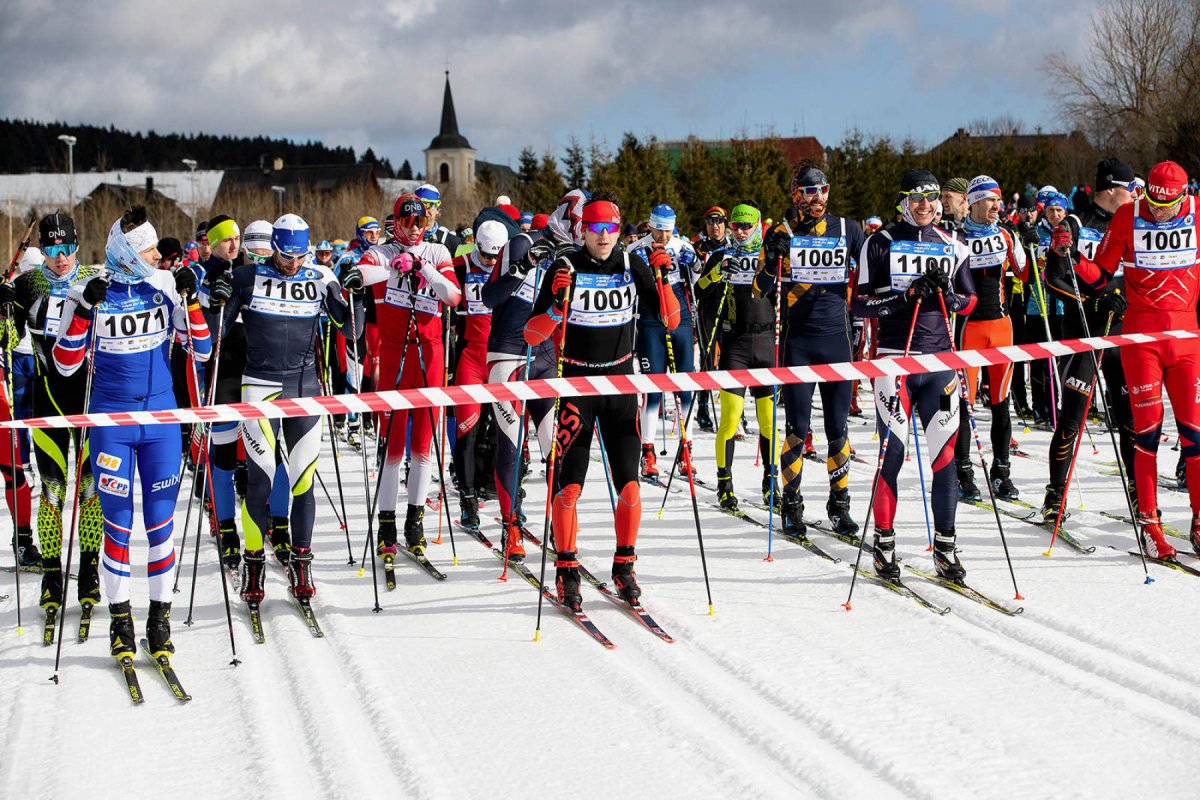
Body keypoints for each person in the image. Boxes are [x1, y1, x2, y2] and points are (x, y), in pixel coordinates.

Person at [53, 205, 211, 659]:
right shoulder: (88, 291)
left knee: (161, 527)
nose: (155, 254)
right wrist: (83, 310)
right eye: (147, 248)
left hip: (160, 423)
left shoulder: (163, 285)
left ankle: (159, 620)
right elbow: (65, 365)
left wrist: (192, 300)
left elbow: (200, 351)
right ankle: (120, 621)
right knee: (117, 527)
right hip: (111, 426)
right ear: (124, 251)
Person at [524, 192, 680, 610]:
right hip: (576, 386)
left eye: (611, 228)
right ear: (582, 231)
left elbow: (671, 320)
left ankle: (625, 565)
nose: (604, 236)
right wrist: (556, 309)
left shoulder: (633, 264)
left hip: (620, 387)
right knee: (570, 485)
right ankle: (566, 569)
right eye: (596, 229)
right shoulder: (566, 265)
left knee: (629, 484)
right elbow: (532, 336)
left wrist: (664, 281)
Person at [207, 214, 362, 601]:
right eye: (284, 256)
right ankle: (254, 561)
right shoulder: (248, 277)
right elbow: (214, 336)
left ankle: (302, 558)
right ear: (272, 248)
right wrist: (215, 300)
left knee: (302, 479)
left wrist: (356, 296)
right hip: (258, 387)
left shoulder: (320, 277)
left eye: (299, 257)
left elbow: (351, 330)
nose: (292, 265)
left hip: (305, 387)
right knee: (259, 481)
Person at [1065, 160, 1199, 559]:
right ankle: (1150, 523)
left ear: (1182, 196)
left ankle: (1198, 519)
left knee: (1194, 434)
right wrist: (1071, 256)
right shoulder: (1127, 215)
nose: (1158, 213)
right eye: (1153, 204)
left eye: (1167, 206)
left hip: (1186, 338)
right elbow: (1101, 275)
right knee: (1147, 432)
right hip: (1141, 337)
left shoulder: (1197, 214)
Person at [852, 169, 977, 581]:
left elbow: (970, 299)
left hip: (939, 365)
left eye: (930, 197)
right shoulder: (881, 242)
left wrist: (948, 295)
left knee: (945, 459)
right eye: (916, 198)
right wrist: (904, 296)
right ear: (903, 201)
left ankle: (945, 548)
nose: (924, 205)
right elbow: (862, 305)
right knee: (893, 456)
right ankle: (884, 544)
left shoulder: (952, 245)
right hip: (894, 362)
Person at [759, 165, 866, 538]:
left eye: (823, 189)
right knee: (797, 428)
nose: (817, 196)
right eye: (809, 190)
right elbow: (760, 288)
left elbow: (871, 270)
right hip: (799, 341)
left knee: (838, 428)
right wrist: (773, 258)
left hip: (837, 339)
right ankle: (792, 503)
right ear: (795, 195)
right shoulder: (782, 231)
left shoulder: (848, 229)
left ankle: (840, 505)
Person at [8, 212, 105, 611]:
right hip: (47, 404)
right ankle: (51, 575)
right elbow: (9, 339)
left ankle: (89, 571)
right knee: (52, 492)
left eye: (67, 248)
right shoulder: (26, 285)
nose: (60, 257)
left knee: (90, 492)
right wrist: (1, 312)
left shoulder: (96, 279)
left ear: (77, 246)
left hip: (90, 401)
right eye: (51, 249)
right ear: (42, 250)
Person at [357, 195, 461, 559]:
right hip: (394, 351)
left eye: (420, 222)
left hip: (429, 352)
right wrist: (395, 268)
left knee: (423, 443)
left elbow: (453, 296)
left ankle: (414, 521)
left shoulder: (437, 252)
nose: (415, 228)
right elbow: (358, 276)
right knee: (393, 443)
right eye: (408, 221)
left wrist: (423, 269)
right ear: (396, 221)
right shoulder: (381, 253)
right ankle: (386, 521)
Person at [482, 189, 584, 561]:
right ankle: (510, 526)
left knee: (556, 447)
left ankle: (561, 527)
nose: (584, 234)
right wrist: (522, 268)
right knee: (511, 444)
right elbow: (490, 296)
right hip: (507, 355)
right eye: (580, 225)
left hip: (544, 357)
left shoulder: (573, 258)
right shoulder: (522, 241)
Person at [1040, 159, 1136, 524]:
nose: (1134, 196)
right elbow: (1054, 278)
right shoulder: (1075, 225)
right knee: (1072, 419)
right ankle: (1055, 496)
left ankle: (1137, 492)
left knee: (1128, 417)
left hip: (1121, 333)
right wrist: (1095, 300)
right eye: (1130, 189)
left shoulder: (1132, 225)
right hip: (1083, 332)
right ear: (1112, 188)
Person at [696, 202, 779, 510]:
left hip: (766, 343)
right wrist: (717, 273)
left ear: (757, 226)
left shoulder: (769, 256)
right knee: (730, 419)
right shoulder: (721, 255)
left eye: (746, 226)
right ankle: (724, 483)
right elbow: (700, 289)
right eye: (735, 226)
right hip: (735, 345)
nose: (740, 232)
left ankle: (771, 483)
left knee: (769, 421)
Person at [954, 176, 1028, 501]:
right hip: (968, 330)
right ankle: (964, 473)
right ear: (973, 202)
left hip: (1001, 328)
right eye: (990, 201)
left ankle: (1001, 473)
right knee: (965, 406)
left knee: (1001, 403)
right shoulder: (956, 237)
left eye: (999, 200)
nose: (997, 206)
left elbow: (1026, 273)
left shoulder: (1006, 234)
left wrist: (1034, 245)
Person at [626, 204, 698, 479]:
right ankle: (648, 452)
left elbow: (699, 275)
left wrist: (694, 261)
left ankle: (686, 449)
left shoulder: (682, 247)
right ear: (650, 226)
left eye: (668, 230)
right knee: (653, 387)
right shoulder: (636, 250)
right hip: (649, 318)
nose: (664, 235)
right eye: (659, 229)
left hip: (678, 314)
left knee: (684, 386)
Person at [450, 220, 505, 529]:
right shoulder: (461, 264)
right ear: (477, 248)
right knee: (468, 430)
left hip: (500, 356)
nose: (492, 264)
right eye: (486, 257)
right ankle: (468, 498)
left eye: (497, 258)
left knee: (502, 428)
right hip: (471, 355)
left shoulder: (509, 264)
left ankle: (498, 485)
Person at [691, 206, 730, 433]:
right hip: (707, 306)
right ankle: (703, 408)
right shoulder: (698, 248)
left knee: (731, 357)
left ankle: (735, 410)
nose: (715, 226)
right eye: (711, 222)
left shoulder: (733, 246)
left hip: (731, 306)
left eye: (719, 222)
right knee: (707, 358)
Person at [415, 184, 464, 255]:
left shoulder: (452, 242)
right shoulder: (406, 239)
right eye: (420, 206)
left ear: (437, 209)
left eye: (429, 205)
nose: (425, 211)